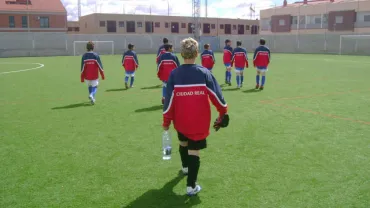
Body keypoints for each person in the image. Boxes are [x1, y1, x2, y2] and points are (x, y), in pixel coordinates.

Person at [162, 37, 230, 196]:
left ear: (181, 53)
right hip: (199, 122)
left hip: (181, 120)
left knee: (183, 142)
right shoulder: (204, 73)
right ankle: (191, 186)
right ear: (197, 53)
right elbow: (217, 97)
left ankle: (185, 168)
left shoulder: (174, 74)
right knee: (194, 151)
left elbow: (168, 102)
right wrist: (223, 112)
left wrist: (166, 122)